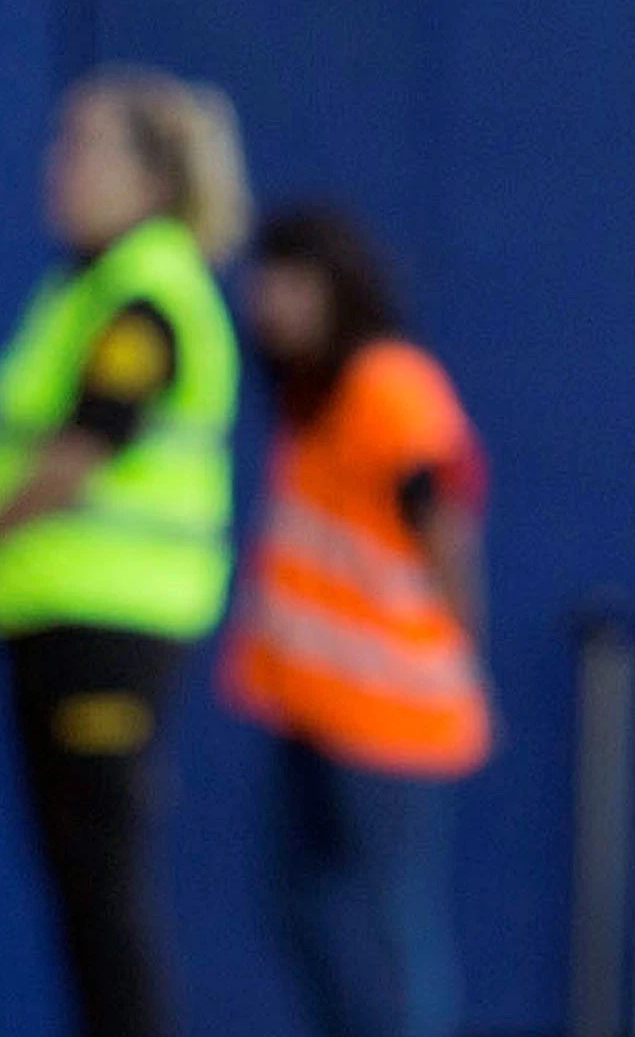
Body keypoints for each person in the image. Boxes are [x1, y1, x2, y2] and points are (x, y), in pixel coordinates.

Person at [0, 65, 253, 1037]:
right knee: (84, 893)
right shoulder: (88, 285)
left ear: (155, 178)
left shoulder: (147, 289)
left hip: (111, 626)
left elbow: (81, 451)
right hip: (60, 618)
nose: (56, 166)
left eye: (82, 145)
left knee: (104, 891)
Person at [220, 207, 488, 1037]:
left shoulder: (387, 382)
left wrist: (458, 648)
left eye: (289, 280)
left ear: (336, 286)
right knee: (300, 908)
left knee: (390, 923)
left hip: (393, 713)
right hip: (314, 705)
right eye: (262, 279)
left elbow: (445, 523)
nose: (267, 299)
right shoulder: (307, 393)